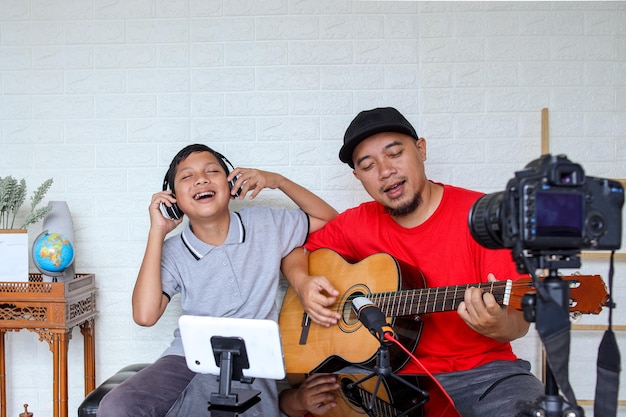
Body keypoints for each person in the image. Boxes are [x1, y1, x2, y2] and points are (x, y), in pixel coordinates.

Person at [280, 107, 546, 417]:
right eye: (368, 166)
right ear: (358, 176)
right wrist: (303, 281)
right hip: (384, 376)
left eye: (394, 154)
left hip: (481, 375)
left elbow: (519, 321)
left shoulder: (486, 216)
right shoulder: (357, 223)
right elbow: (294, 250)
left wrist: (500, 325)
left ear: (421, 149)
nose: (385, 171)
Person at [97, 143, 338, 417]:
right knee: (117, 407)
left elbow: (329, 219)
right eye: (187, 176)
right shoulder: (173, 251)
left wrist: (277, 181)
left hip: (252, 360)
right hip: (188, 359)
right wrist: (157, 232)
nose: (201, 179)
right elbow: (144, 315)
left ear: (232, 185)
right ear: (174, 200)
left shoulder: (265, 222)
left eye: (212, 171)